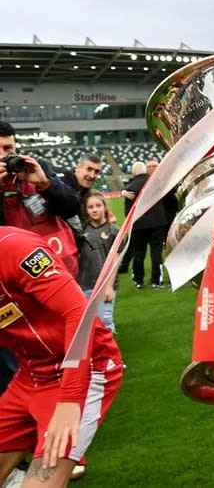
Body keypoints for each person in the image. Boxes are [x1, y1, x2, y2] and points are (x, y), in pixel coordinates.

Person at [0, 227, 122, 487]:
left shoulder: (14, 247)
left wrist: (69, 399)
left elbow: (78, 312)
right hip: (29, 375)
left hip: (85, 368)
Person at [0, 123, 81, 278]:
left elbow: (72, 208)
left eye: (8, 148)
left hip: (62, 266)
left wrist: (45, 184)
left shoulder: (35, 167)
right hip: (20, 274)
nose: (3, 155)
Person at [124, 160, 175, 289]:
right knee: (156, 252)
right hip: (156, 223)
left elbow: (127, 210)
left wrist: (122, 192)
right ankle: (156, 280)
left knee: (139, 254)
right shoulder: (155, 182)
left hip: (138, 225)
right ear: (145, 170)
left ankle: (138, 281)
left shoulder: (129, 187)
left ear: (133, 172)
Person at [77, 192, 119, 333]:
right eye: (90, 207)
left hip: (104, 285)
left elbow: (115, 260)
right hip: (84, 285)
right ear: (86, 210)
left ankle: (111, 355)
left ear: (105, 207)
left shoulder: (114, 231)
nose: (94, 210)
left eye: (98, 206)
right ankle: (94, 354)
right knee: (88, 325)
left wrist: (109, 286)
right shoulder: (81, 231)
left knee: (105, 323)